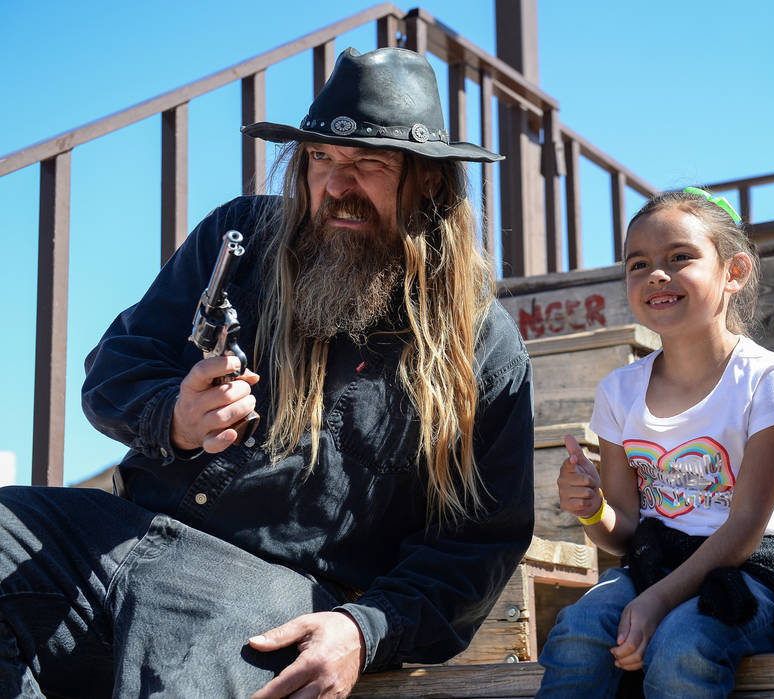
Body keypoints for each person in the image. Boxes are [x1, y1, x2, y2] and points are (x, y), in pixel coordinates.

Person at [0, 46, 535, 697]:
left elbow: (476, 546)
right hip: (126, 534)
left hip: (267, 585)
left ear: (427, 181)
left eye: (369, 164)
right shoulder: (239, 237)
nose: (337, 185)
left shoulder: (482, 345)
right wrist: (171, 414)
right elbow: (114, 369)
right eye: (321, 159)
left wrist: (365, 628)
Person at [536, 189, 774, 699]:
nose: (656, 274)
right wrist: (592, 511)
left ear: (733, 272)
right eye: (639, 264)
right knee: (579, 631)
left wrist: (657, 601)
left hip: (753, 569)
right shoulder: (618, 392)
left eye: (680, 258)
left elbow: (743, 530)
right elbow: (624, 532)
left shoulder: (767, 381)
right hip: (652, 564)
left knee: (682, 644)